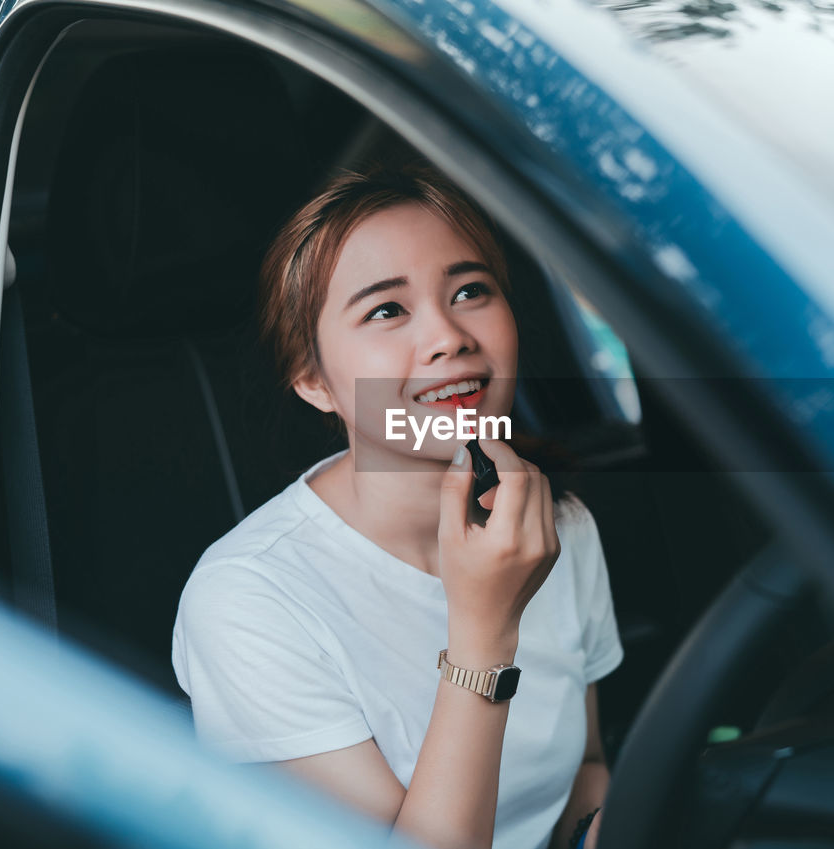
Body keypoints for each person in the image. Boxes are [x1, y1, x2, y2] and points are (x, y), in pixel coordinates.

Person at [170, 159, 623, 849]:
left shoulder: (556, 524)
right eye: (387, 309)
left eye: (471, 290)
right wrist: (484, 628)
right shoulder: (247, 599)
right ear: (312, 378)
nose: (449, 337)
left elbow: (585, 768)